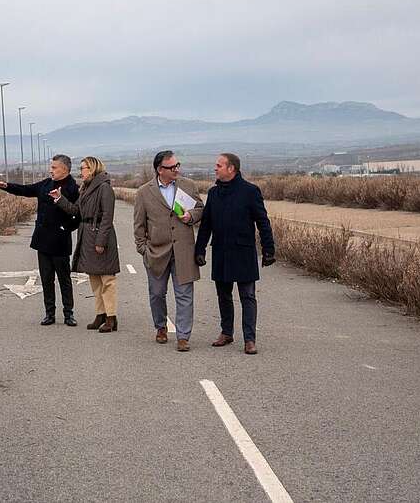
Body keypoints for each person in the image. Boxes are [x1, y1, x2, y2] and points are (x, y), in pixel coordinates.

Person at [194, 153, 275, 355]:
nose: (215, 168)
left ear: (232, 169)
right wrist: (200, 249)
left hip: (243, 252)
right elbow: (206, 225)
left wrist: (268, 250)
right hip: (221, 251)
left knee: (247, 296)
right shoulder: (213, 193)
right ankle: (226, 332)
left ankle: (249, 339)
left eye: (219, 165)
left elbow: (263, 222)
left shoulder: (250, 191)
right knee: (223, 295)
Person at [0, 154, 80, 326]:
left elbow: (77, 214)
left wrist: (66, 228)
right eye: (51, 167)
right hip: (43, 240)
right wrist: (7, 186)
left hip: (60, 242)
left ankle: (68, 313)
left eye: (54, 167)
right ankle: (49, 313)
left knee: (64, 280)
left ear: (65, 168)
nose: (51, 170)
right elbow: (26, 190)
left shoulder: (73, 188)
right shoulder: (46, 184)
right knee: (46, 279)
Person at [132, 150, 204, 352]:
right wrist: (143, 248)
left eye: (177, 165)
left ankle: (183, 336)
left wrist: (191, 216)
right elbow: (139, 225)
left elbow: (200, 208)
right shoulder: (144, 192)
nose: (176, 170)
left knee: (184, 295)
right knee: (156, 293)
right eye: (172, 167)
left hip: (183, 251)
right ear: (159, 169)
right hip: (156, 251)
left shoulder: (188, 185)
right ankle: (161, 327)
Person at [49, 156, 121, 333]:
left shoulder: (104, 188)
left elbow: (107, 217)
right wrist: (59, 199)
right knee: (95, 278)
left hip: (100, 235)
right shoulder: (86, 188)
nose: (80, 172)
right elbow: (76, 211)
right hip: (87, 235)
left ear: (92, 169)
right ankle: (100, 314)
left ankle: (111, 317)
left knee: (107, 279)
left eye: (83, 168)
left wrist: (101, 241)